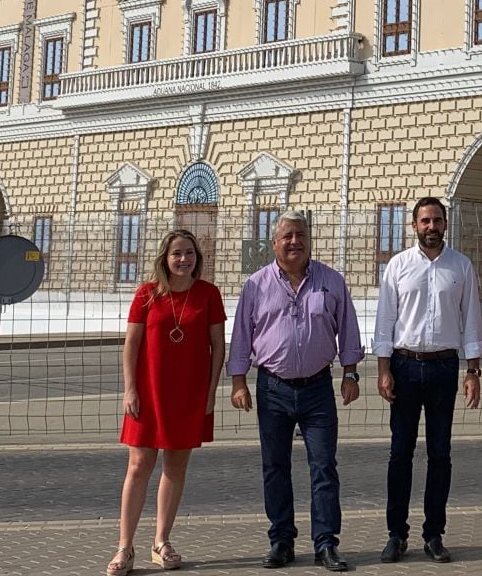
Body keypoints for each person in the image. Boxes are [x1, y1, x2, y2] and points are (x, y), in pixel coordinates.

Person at [226, 211, 363, 573]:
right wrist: (238, 381)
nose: (294, 242)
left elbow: (348, 329)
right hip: (272, 388)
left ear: (309, 240)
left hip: (318, 388)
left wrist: (351, 374)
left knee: (323, 467)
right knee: (275, 467)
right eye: (286, 236)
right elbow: (241, 336)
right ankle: (281, 541)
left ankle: (326, 544)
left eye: (300, 235)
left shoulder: (331, 281)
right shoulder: (255, 285)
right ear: (274, 243)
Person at [107, 229, 226, 576]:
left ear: (197, 259)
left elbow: (217, 346)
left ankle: (161, 541)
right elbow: (131, 345)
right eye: (177, 253)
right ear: (165, 257)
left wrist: (210, 392)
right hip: (148, 393)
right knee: (138, 465)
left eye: (189, 253)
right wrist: (130, 389)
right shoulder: (146, 294)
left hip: (189, 393)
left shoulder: (208, 294)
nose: (183, 259)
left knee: (175, 467)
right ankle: (124, 547)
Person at [372, 196, 482, 564]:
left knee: (440, 454)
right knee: (399, 453)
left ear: (445, 224)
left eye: (437, 220)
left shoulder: (461, 266)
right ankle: (396, 534)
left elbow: (471, 321)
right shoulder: (399, 266)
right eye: (425, 221)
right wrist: (383, 369)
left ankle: (434, 534)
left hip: (443, 368)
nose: (431, 227)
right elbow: (385, 320)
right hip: (405, 367)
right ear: (415, 225)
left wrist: (472, 371)